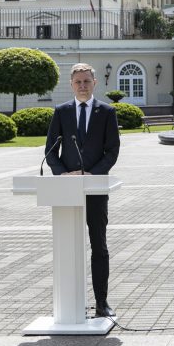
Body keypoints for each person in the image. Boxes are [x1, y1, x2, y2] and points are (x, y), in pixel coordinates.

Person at [45, 62, 120, 318]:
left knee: (98, 245)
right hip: (67, 190)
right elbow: (51, 151)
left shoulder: (107, 112)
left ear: (94, 83)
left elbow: (112, 151)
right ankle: (69, 303)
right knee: (67, 245)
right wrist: (63, 173)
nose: (82, 86)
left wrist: (93, 174)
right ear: (71, 84)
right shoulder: (61, 111)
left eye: (87, 81)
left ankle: (102, 302)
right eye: (78, 82)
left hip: (95, 189)